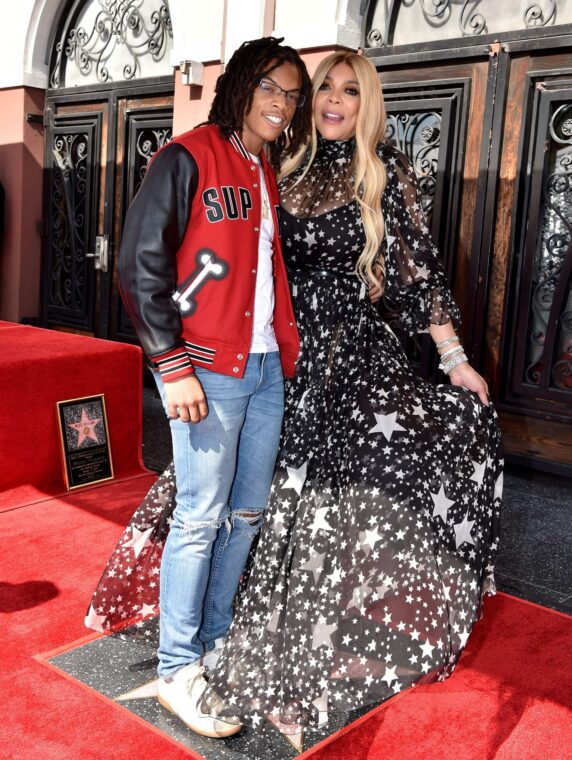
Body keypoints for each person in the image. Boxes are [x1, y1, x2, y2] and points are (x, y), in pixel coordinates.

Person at [87, 50, 502, 740]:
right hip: (253, 352)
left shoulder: (380, 172)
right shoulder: (271, 161)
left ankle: (260, 626)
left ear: (366, 103)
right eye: (321, 90)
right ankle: (185, 654)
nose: (332, 101)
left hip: (327, 356)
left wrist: (453, 357)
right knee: (213, 506)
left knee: (279, 505)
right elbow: (179, 254)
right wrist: (173, 360)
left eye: (347, 91)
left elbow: (417, 272)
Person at [96, 37, 312, 738]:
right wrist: (171, 364)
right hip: (208, 369)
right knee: (199, 515)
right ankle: (177, 666)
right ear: (242, 85)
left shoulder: (264, 170)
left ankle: (216, 639)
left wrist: (283, 351)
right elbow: (139, 263)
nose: (282, 103)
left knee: (245, 514)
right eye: (272, 87)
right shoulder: (187, 156)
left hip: (262, 370)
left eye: (292, 94)